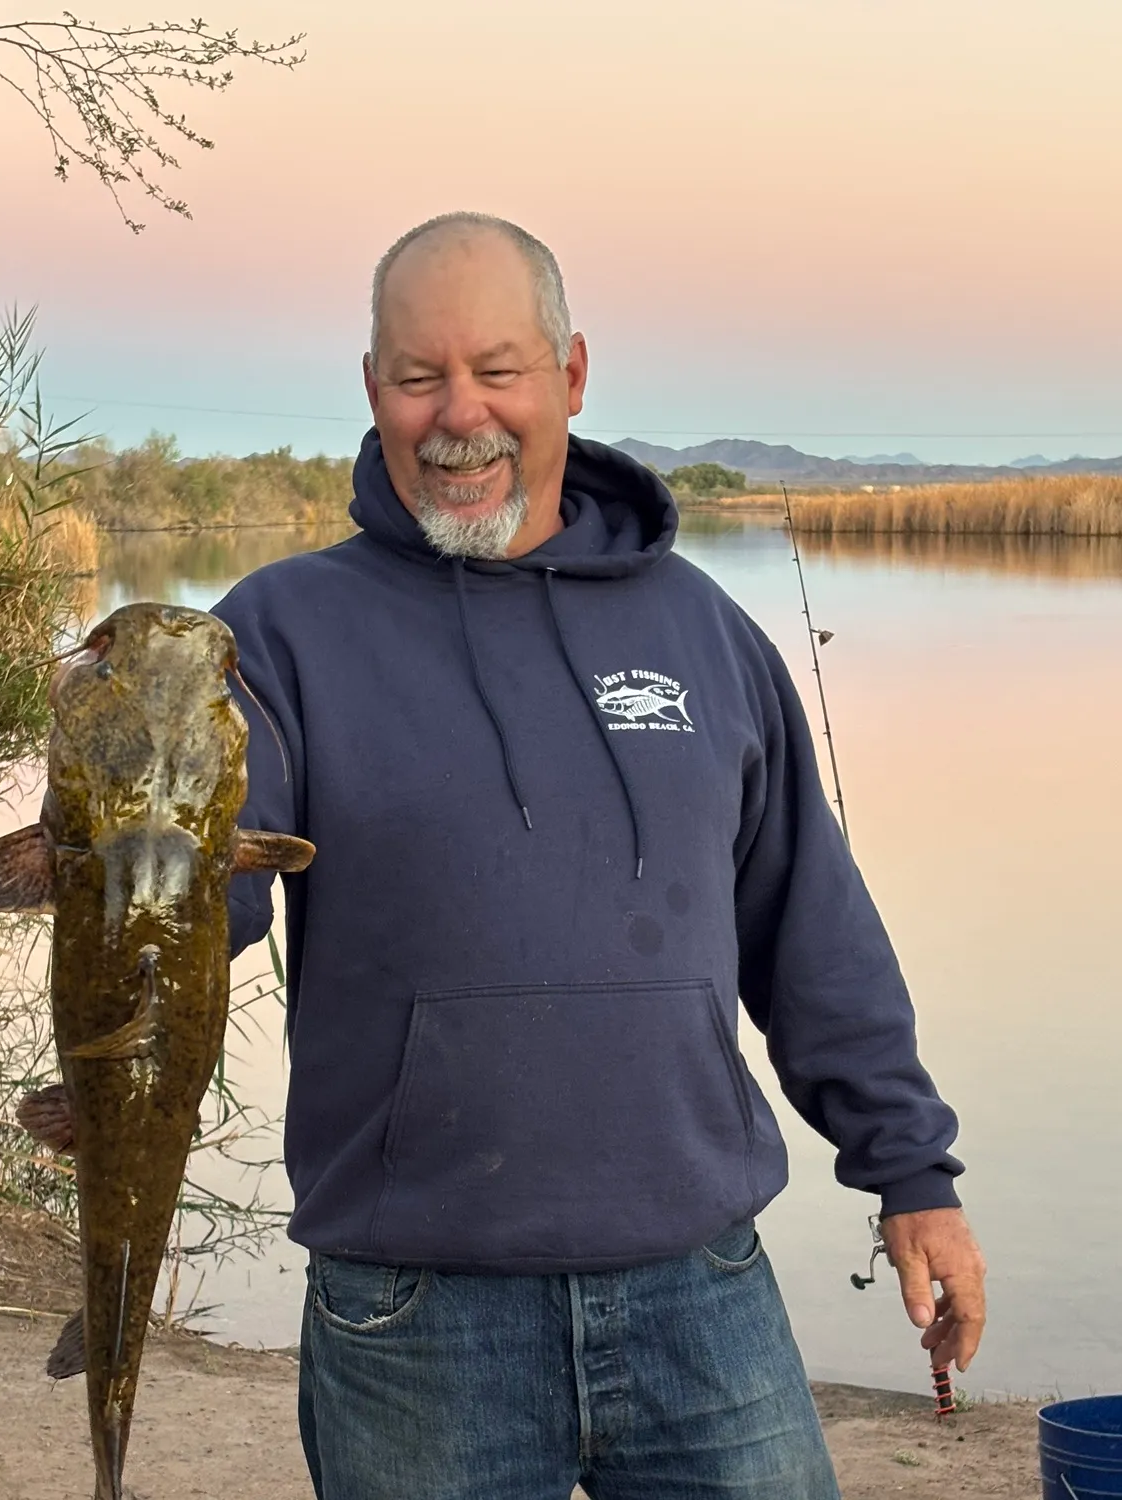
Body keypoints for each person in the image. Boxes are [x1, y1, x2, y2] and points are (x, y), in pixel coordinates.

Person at [212, 212, 987, 1500]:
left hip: (702, 1291)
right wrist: (115, 830)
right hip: (416, 1316)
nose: (460, 415)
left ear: (570, 375)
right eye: (419, 376)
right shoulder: (275, 635)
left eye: (498, 369)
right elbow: (189, 902)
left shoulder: (705, 632)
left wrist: (912, 1172)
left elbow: (810, 932)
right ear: (373, 389)